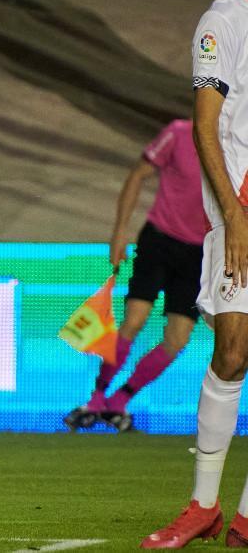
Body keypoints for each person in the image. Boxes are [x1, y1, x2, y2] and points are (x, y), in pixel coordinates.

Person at [142, 0, 248, 549]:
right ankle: (202, 504)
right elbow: (205, 124)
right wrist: (234, 215)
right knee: (232, 348)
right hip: (240, 213)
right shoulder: (224, 20)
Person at [63, 119, 204, 434]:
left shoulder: (237, 148)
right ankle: (96, 398)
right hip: (159, 240)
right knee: (134, 320)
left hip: (200, 253)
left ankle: (120, 401)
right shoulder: (179, 133)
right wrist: (119, 233)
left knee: (178, 338)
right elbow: (138, 173)